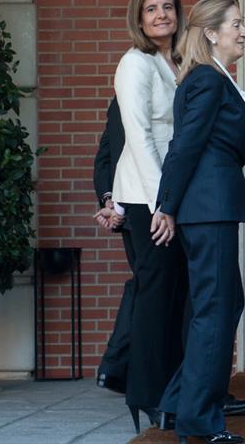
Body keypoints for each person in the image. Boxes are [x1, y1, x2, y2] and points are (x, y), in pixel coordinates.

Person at [152, 0, 245, 444]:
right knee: (215, 311)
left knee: (219, 305)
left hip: (210, 206)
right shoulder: (208, 81)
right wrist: (167, 205)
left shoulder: (211, 78)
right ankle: (200, 419)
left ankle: (179, 402)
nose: (244, 32)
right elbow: (186, 145)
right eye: (236, 24)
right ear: (212, 33)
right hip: (207, 207)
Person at [111, 0, 189, 433]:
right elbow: (138, 137)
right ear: (139, 18)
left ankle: (172, 392)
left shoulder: (177, 62)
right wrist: (165, 202)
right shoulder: (134, 63)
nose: (161, 15)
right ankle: (147, 393)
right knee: (156, 297)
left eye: (167, 7)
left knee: (176, 296)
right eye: (151, 9)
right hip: (147, 197)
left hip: (172, 194)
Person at [92, 97, 130, 394]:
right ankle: (119, 366)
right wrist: (111, 202)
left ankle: (117, 366)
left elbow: (105, 156)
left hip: (128, 211)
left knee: (146, 286)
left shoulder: (120, 97)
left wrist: (111, 201)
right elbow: (111, 152)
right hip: (152, 213)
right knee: (153, 291)